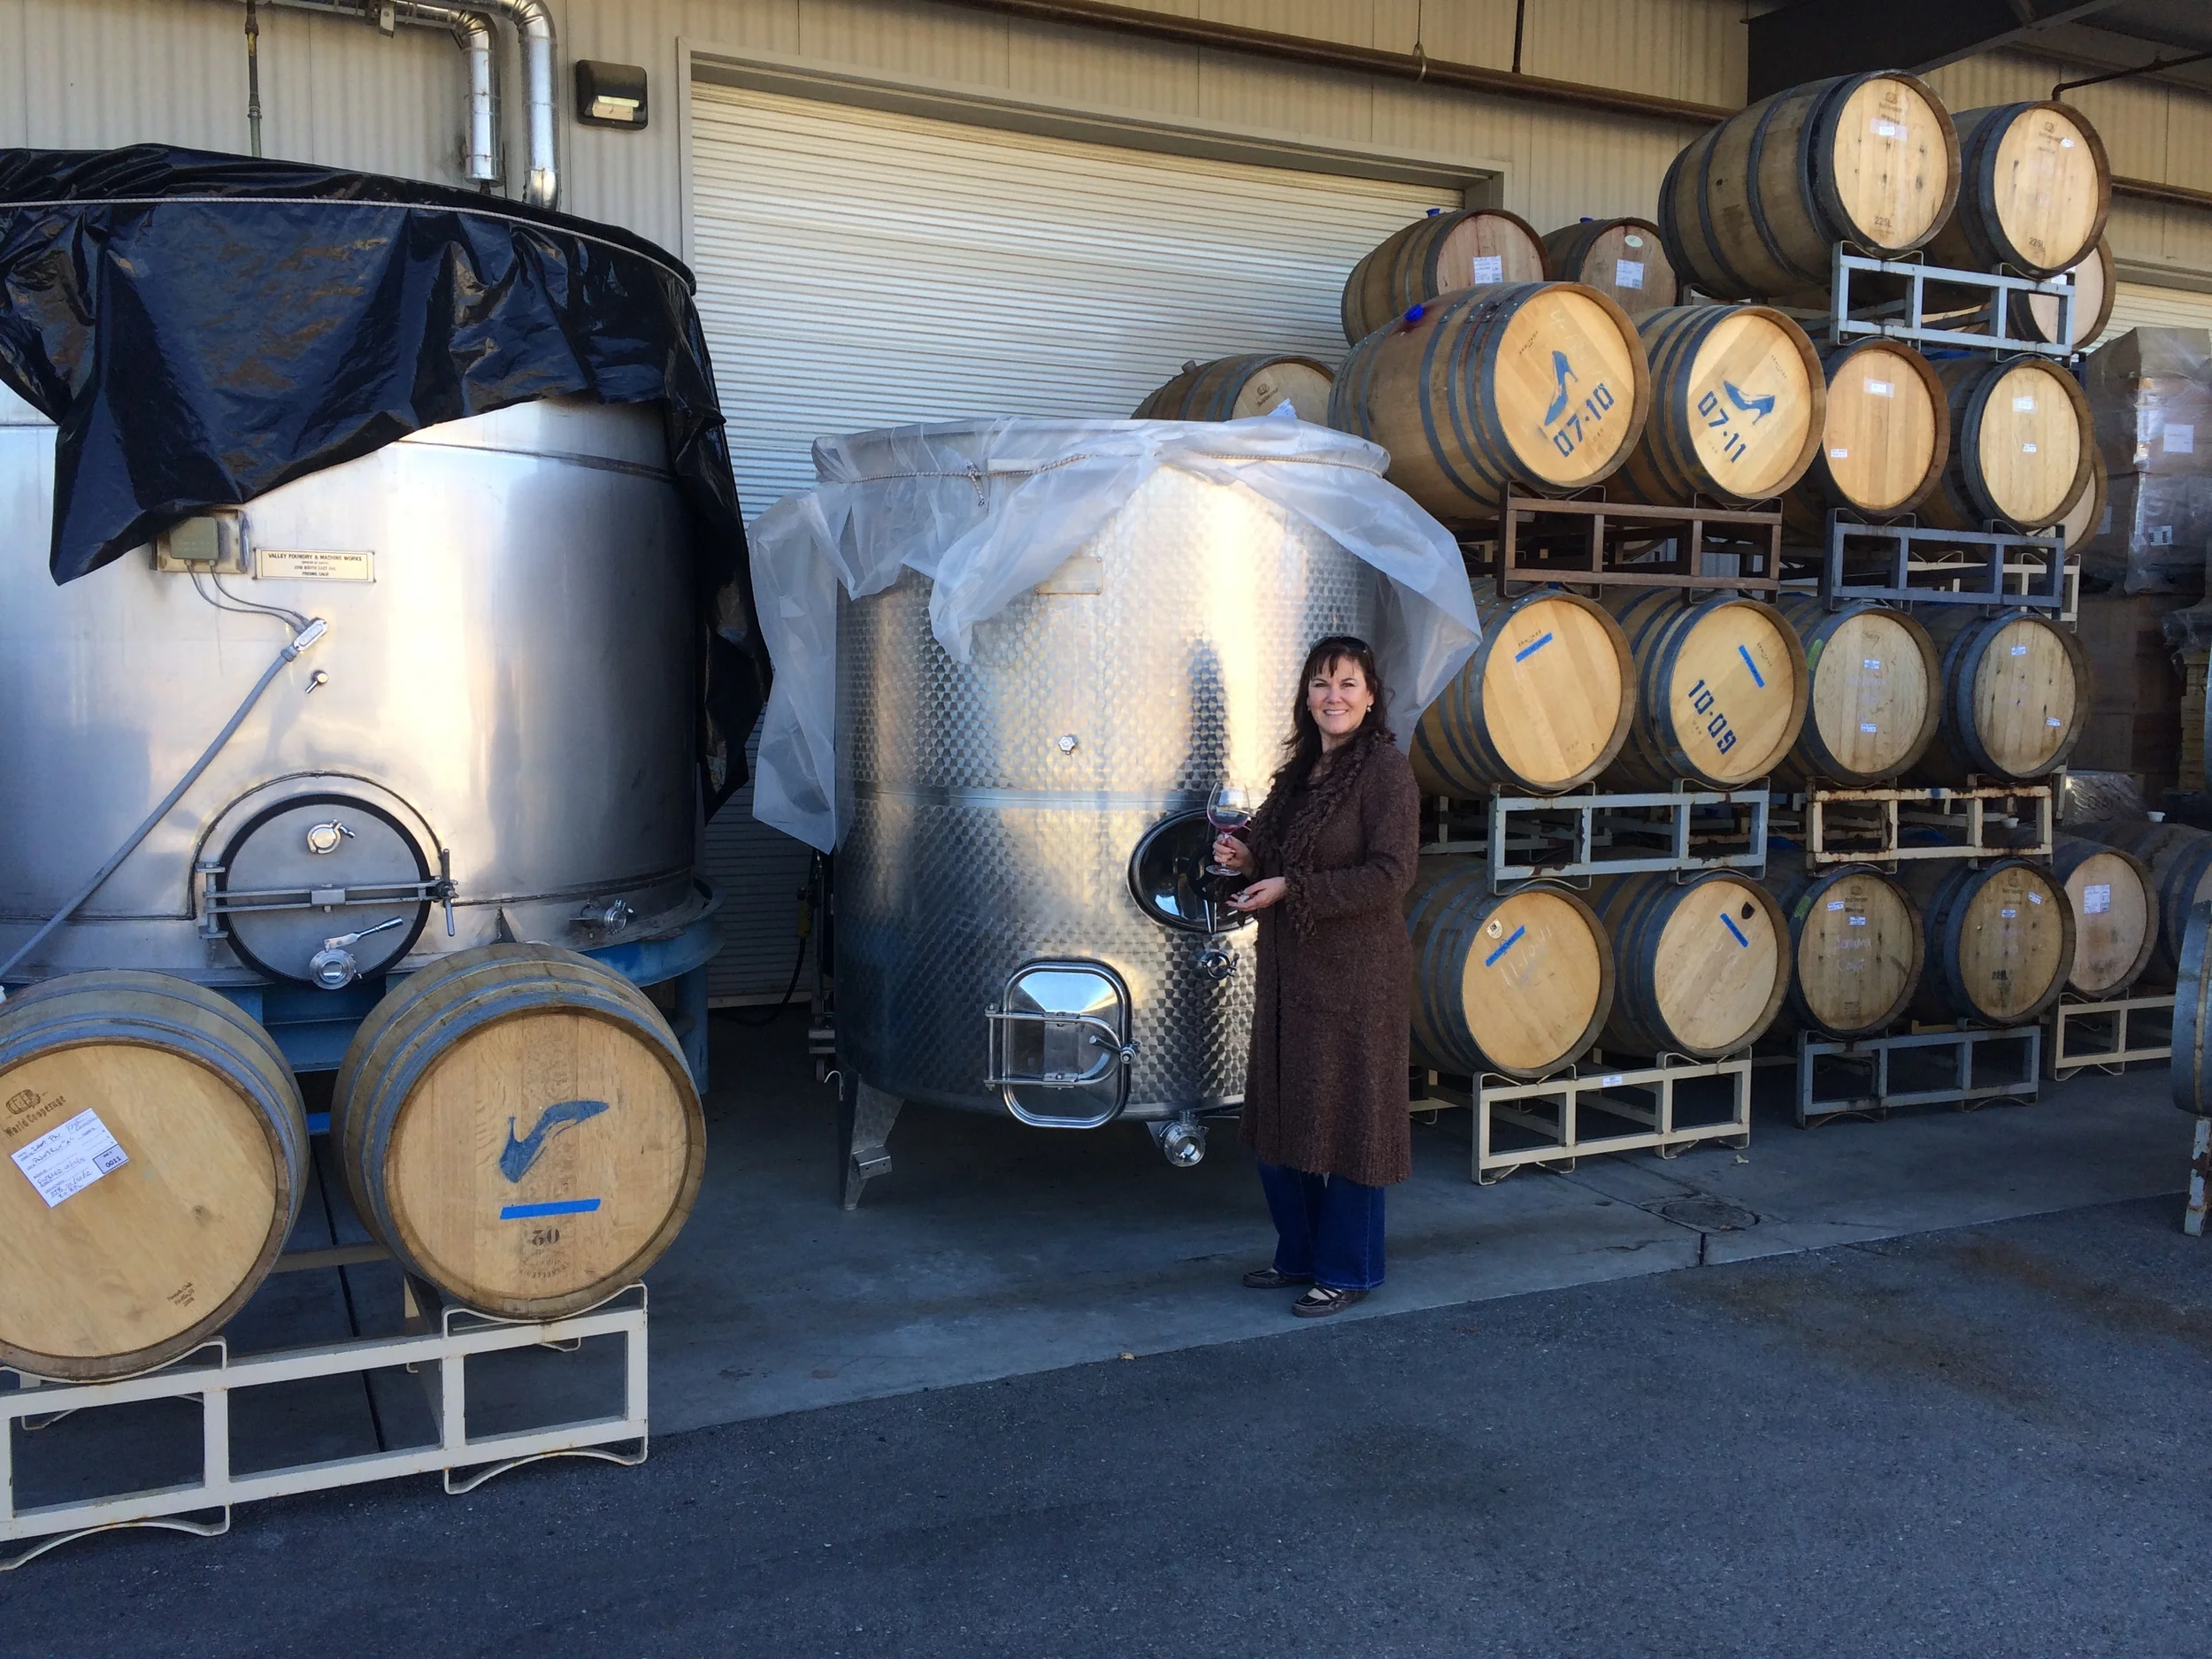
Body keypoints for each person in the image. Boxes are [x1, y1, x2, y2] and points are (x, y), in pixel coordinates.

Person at [1213, 634, 1420, 1318]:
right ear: (1306, 696)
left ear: (1371, 696)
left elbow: (1391, 874)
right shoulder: (1301, 771)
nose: (1334, 696)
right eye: (1321, 683)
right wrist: (1247, 860)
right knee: (1280, 1117)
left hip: (1358, 979)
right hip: (1291, 975)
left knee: (1355, 1124)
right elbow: (1280, 855)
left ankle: (1348, 1269)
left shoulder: (1385, 771)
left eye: (1348, 683)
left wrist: (1291, 889)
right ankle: (1299, 1253)